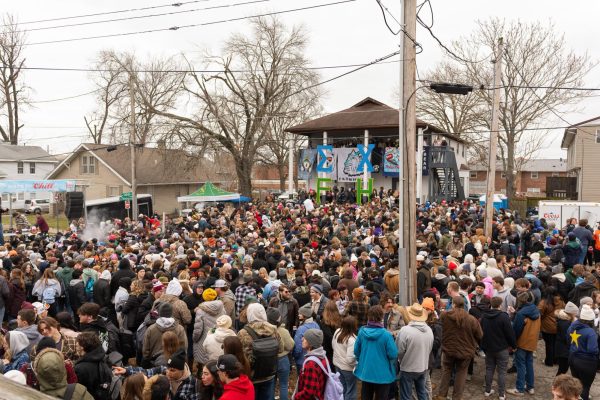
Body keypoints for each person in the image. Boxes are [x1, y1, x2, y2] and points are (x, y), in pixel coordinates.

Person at [434, 296, 482, 400]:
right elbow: (480, 335)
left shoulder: (444, 315)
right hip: (465, 352)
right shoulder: (471, 319)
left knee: (446, 371)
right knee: (461, 373)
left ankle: (442, 395)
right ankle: (457, 397)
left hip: (448, 350)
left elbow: (438, 327)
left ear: (453, 304)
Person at [115, 348, 200, 400]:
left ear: (181, 370)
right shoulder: (163, 370)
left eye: (172, 370)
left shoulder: (193, 383)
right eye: (168, 368)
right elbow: (146, 372)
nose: (168, 372)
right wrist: (127, 371)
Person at [237, 302, 281, 400]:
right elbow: (280, 349)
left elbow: (240, 354)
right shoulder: (274, 329)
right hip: (269, 372)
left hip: (251, 375)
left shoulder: (243, 333)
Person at [354, 305, 398, 400]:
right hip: (383, 375)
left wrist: (363, 360)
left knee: (366, 397)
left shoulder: (362, 332)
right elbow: (393, 354)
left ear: (369, 316)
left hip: (366, 372)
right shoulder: (386, 335)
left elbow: (356, 351)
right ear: (381, 317)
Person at [480, 296, 516, 400]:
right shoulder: (504, 317)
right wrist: (513, 346)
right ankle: (501, 394)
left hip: (489, 348)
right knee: (502, 371)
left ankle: (487, 390)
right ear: (500, 305)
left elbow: (481, 332)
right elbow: (510, 333)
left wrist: (482, 346)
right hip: (502, 348)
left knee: (489, 368)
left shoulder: (484, 316)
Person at [396, 303, 433, 400]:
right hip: (423, 367)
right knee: (422, 393)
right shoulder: (429, 330)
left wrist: (403, 361)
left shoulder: (405, 330)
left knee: (405, 396)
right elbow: (429, 348)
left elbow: (399, 351)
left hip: (408, 368)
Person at [507, 292, 541, 397]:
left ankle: (519, 389)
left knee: (520, 365)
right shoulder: (536, 310)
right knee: (529, 364)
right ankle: (530, 387)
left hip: (522, 342)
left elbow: (516, 330)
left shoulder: (522, 313)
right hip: (532, 342)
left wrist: (513, 344)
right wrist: (516, 313)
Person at [566, 304, 598, 400]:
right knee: (585, 387)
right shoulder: (590, 332)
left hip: (572, 358)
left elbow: (567, 340)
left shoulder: (572, 326)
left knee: (576, 384)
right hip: (586, 362)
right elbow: (593, 350)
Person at [143, 302, 187, 367]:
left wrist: (147, 359)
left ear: (159, 313)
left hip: (154, 363)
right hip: (175, 363)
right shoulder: (180, 329)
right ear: (171, 313)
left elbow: (146, 349)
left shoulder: (151, 329)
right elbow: (184, 346)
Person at [74, 332, 113, 400]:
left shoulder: (80, 369)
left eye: (77, 346)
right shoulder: (104, 359)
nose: (76, 348)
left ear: (82, 347)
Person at [293, 329, 330, 400]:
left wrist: (296, 397)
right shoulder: (323, 356)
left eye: (305, 338)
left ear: (311, 343)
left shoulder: (311, 364)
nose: (302, 339)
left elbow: (309, 392)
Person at [266, 308, 294, 400]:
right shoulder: (283, 331)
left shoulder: (265, 331)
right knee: (283, 385)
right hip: (283, 360)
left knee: (271, 385)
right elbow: (290, 346)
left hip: (270, 360)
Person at [333, 315, 358, 400]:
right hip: (348, 369)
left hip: (337, 365)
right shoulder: (351, 340)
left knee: (343, 388)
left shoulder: (337, 332)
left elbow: (333, 346)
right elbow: (350, 359)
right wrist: (357, 364)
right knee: (351, 391)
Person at [293, 303, 320, 373]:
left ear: (305, 315)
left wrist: (295, 356)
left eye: (300, 313)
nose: (298, 315)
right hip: (315, 359)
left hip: (302, 360)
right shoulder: (316, 325)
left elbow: (298, 348)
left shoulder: (301, 329)